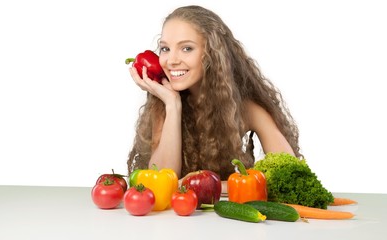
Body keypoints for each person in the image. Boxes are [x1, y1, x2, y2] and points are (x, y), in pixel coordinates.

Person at [127, 5, 303, 191]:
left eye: (186, 48)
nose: (171, 60)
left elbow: (290, 174)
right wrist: (172, 105)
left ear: (212, 53)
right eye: (165, 49)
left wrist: (211, 186)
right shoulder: (163, 102)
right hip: (178, 218)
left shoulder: (245, 108)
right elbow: (161, 181)